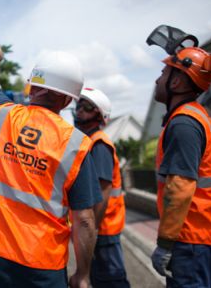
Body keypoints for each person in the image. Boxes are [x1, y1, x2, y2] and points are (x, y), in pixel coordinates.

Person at [0, 45, 102, 288]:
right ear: (66, 100)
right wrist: (82, 274)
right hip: (42, 266)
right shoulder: (76, 144)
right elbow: (84, 220)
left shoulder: (2, 115)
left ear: (32, 86)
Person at [147, 26, 211, 287]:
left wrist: (165, 244)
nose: (157, 80)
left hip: (194, 242)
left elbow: (180, 187)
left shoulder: (184, 123)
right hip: (209, 237)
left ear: (176, 82)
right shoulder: (197, 117)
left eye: (163, 73)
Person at [74, 87, 130, 288]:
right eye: (78, 105)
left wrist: (91, 231)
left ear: (99, 114)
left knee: (111, 281)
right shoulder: (88, 142)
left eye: (86, 107)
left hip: (103, 230)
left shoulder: (98, 145)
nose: (79, 110)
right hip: (99, 229)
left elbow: (102, 193)